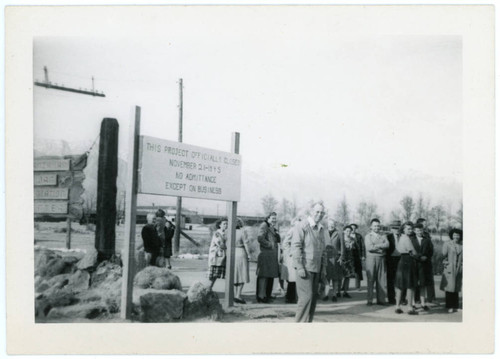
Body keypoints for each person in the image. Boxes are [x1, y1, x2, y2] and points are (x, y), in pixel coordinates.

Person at [292, 202, 328, 322]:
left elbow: (323, 250)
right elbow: (296, 247)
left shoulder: (321, 228)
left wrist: (323, 269)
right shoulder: (302, 226)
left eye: (322, 212)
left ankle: (308, 324)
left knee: (312, 299)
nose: (319, 214)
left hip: (316, 268)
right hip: (305, 268)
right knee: (305, 298)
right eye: (317, 212)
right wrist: (300, 267)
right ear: (311, 212)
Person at [394, 222, 418, 315]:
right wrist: (416, 255)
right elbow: (413, 252)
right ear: (403, 229)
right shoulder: (407, 238)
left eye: (411, 229)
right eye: (408, 229)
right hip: (408, 261)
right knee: (410, 285)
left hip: (401, 261)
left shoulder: (401, 237)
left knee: (400, 285)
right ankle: (410, 308)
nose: (410, 230)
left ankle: (397, 306)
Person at [256, 212, 280, 303]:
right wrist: (270, 245)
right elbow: (260, 238)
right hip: (266, 254)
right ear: (268, 218)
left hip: (271, 255)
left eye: (275, 218)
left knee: (268, 276)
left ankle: (266, 295)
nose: (274, 220)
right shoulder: (264, 225)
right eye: (272, 218)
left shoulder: (271, 227)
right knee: (263, 276)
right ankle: (261, 296)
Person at [364, 218, 389, 306]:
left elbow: (387, 245)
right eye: (375, 226)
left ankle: (381, 300)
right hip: (371, 259)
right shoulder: (368, 236)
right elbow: (369, 248)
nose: (377, 228)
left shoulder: (383, 235)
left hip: (381, 259)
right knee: (371, 279)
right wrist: (381, 248)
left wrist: (376, 246)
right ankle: (369, 300)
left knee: (381, 279)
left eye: (378, 226)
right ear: (371, 227)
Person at [411, 223, 433, 311]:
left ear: (423, 230)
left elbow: (431, 251)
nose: (419, 232)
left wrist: (426, 257)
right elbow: (410, 252)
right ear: (414, 231)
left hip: (424, 265)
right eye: (417, 230)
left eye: (420, 230)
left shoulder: (427, 240)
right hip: (414, 264)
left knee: (423, 284)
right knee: (413, 284)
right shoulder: (411, 240)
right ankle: (412, 303)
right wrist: (419, 257)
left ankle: (423, 303)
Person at [440, 228, 463, 313]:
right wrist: (446, 262)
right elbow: (443, 255)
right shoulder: (447, 244)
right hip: (450, 268)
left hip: (458, 268)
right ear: (451, 236)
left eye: (458, 235)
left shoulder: (461, 245)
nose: (456, 236)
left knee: (456, 287)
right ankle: (449, 306)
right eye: (454, 235)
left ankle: (456, 306)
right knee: (449, 287)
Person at [324, 218, 345, 302]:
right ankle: (326, 294)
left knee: (335, 278)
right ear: (327, 225)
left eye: (333, 224)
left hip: (335, 258)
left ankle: (334, 294)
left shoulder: (339, 233)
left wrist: (341, 257)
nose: (331, 225)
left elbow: (342, 247)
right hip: (326, 258)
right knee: (327, 277)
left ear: (335, 225)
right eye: (330, 224)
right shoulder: (323, 232)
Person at [416, 217, 435, 303]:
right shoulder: (414, 235)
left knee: (429, 279)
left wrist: (427, 257)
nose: (424, 226)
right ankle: (417, 298)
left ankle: (430, 298)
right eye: (423, 224)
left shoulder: (427, 235)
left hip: (427, 260)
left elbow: (431, 248)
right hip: (417, 260)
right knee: (417, 280)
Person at [282, 217, 299, 304]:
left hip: (298, 256)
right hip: (292, 257)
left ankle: (293, 297)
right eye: (297, 222)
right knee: (292, 278)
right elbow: (285, 243)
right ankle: (290, 297)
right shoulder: (292, 230)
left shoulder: (299, 230)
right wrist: (290, 253)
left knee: (296, 278)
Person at [208, 218, 228, 291]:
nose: (226, 225)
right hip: (216, 257)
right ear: (220, 225)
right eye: (224, 224)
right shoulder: (217, 233)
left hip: (221, 257)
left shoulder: (225, 233)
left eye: (227, 224)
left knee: (217, 275)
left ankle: (209, 288)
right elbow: (221, 244)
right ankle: (208, 289)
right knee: (214, 275)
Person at [233, 218, 251, 304]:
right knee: (242, 274)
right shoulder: (242, 232)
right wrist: (249, 254)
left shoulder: (229, 232)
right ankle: (238, 295)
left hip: (232, 253)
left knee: (235, 275)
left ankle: (235, 294)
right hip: (241, 252)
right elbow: (246, 243)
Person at [386, 220, 402, 304]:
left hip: (401, 259)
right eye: (395, 228)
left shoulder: (403, 236)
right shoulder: (388, 237)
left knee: (401, 279)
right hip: (391, 260)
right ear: (391, 229)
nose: (397, 230)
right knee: (390, 280)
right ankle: (391, 298)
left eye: (398, 228)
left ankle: (401, 298)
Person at [341, 225, 356, 298]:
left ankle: (345, 291)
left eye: (350, 231)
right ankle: (338, 291)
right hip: (342, 258)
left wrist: (352, 246)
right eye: (347, 231)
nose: (348, 232)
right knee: (340, 276)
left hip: (349, 259)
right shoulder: (341, 239)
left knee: (347, 276)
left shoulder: (353, 239)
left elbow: (354, 249)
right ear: (344, 231)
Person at [350, 223, 365, 290]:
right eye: (351, 228)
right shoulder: (346, 235)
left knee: (358, 271)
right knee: (346, 271)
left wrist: (363, 255)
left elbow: (363, 246)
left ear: (356, 229)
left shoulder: (359, 236)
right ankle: (344, 287)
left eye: (354, 228)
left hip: (357, 255)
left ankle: (358, 286)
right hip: (349, 255)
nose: (353, 229)